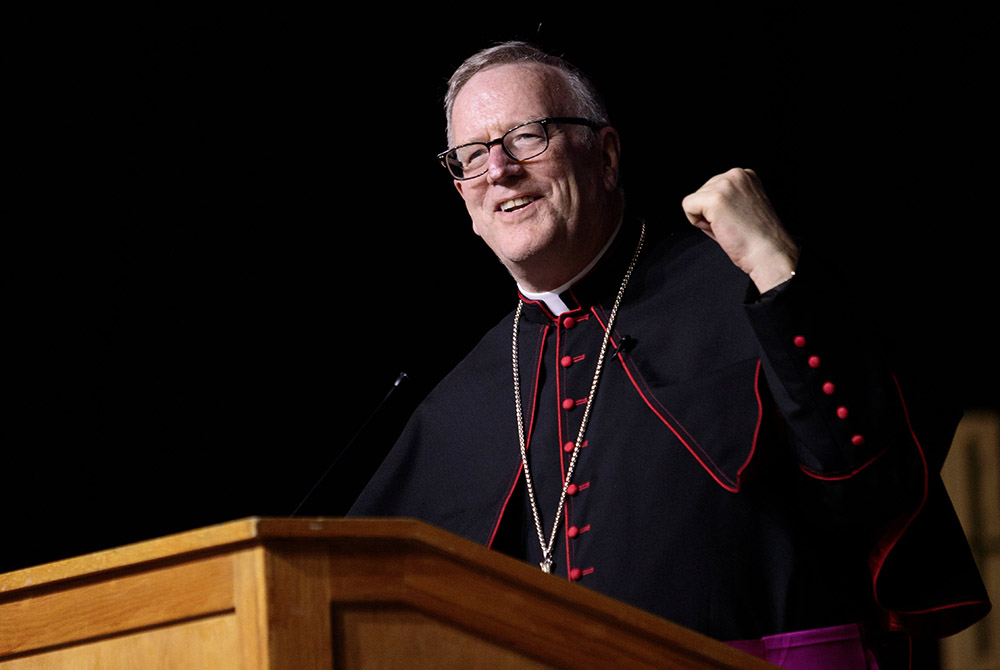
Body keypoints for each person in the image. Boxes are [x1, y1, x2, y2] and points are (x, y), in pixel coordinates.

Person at [349, 41, 989, 668]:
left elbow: (877, 485)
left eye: (527, 136)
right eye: (471, 155)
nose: (499, 170)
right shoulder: (461, 397)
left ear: (605, 156)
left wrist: (776, 267)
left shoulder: (748, 286)